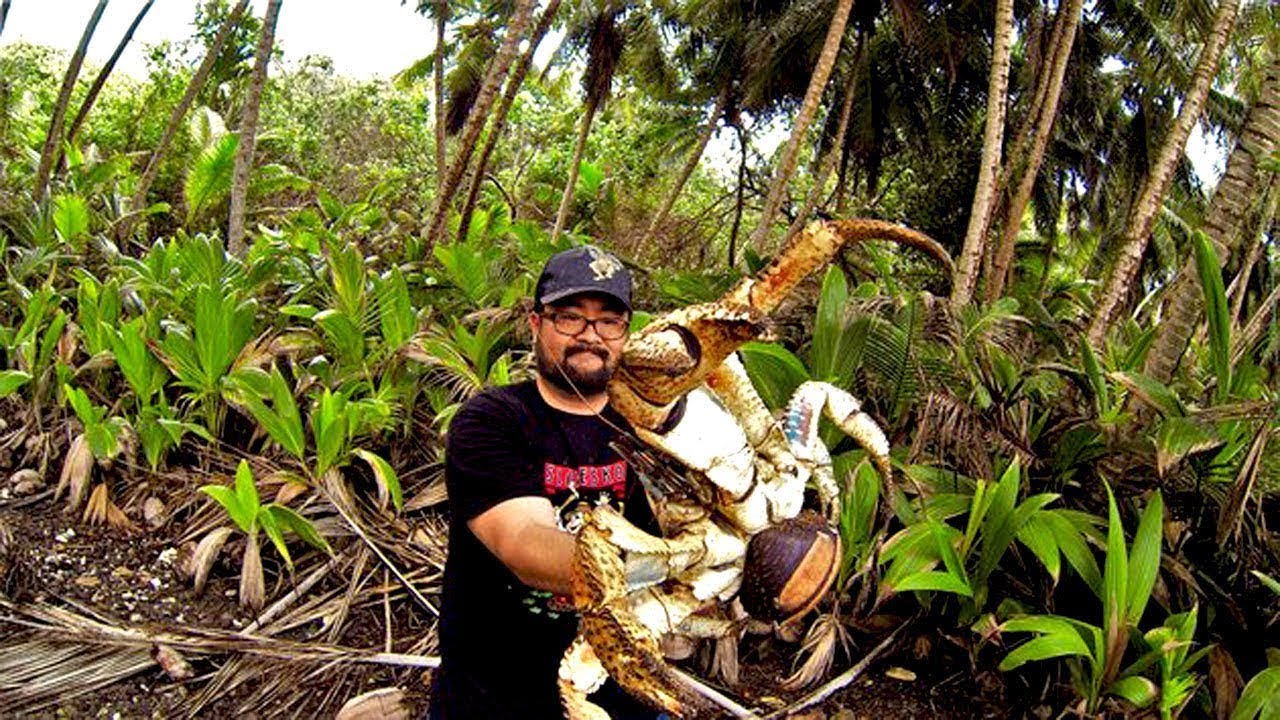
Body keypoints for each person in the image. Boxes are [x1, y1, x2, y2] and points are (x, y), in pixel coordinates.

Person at [429, 246, 663, 720]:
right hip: (494, 698)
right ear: (536, 324)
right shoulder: (492, 419)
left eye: (609, 321)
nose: (590, 335)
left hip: (625, 694)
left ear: (626, 334)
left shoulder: (655, 430)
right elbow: (524, 544)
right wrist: (682, 564)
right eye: (570, 318)